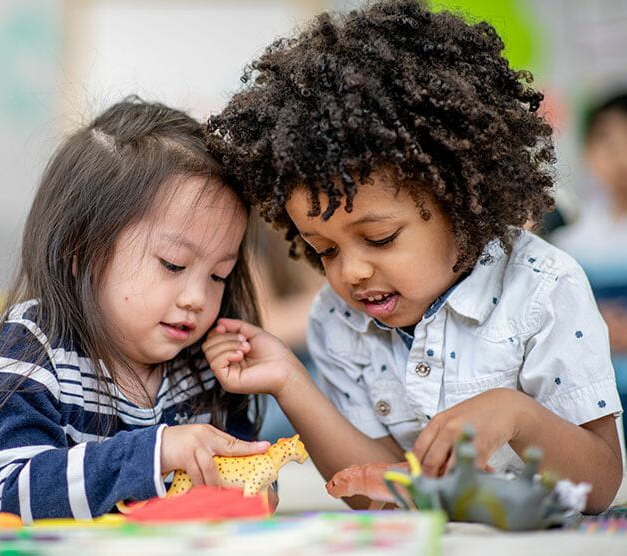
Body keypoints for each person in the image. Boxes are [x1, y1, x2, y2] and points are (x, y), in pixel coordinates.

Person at [203, 0, 623, 513]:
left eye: (379, 238)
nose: (351, 272)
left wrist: (517, 414)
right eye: (325, 250)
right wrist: (292, 381)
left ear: (461, 202)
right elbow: (369, 491)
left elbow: (599, 486)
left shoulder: (543, 288)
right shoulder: (339, 318)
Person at [0, 98, 271, 522]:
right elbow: (20, 493)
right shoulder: (29, 344)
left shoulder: (203, 364)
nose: (197, 297)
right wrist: (157, 451)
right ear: (81, 251)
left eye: (219, 274)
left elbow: (245, 471)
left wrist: (251, 484)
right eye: (173, 265)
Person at [552, 90, 627, 441]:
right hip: (598, 399)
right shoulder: (571, 240)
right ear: (588, 153)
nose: (621, 158)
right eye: (609, 144)